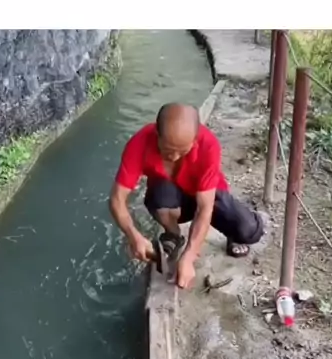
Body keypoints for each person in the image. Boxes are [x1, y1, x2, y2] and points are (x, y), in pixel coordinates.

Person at [109, 102, 264, 289]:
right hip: (171, 196)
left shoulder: (208, 145)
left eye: (182, 151)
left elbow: (204, 208)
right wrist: (133, 236)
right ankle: (173, 235)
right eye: (167, 151)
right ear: (156, 134)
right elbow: (117, 199)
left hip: (207, 195)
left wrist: (190, 256)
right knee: (159, 193)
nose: (174, 157)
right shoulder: (139, 143)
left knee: (249, 231)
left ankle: (232, 234)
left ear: (195, 140)